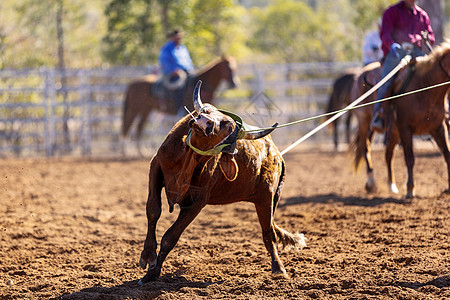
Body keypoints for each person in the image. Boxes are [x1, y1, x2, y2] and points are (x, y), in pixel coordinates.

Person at [370, 0, 434, 132]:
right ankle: (378, 114)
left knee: (434, 76)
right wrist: (392, 45)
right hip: (396, 53)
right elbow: (385, 33)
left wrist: (425, 38)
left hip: (416, 52)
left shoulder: (422, 15)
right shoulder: (391, 12)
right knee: (386, 80)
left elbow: (430, 36)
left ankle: (438, 115)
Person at [158, 29, 194, 114]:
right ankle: (179, 109)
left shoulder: (183, 48)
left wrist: (191, 69)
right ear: (173, 38)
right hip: (173, 74)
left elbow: (188, 61)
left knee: (193, 84)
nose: (178, 39)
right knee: (180, 86)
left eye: (179, 37)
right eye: (176, 37)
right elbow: (164, 61)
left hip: (186, 72)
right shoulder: (167, 48)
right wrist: (173, 70)